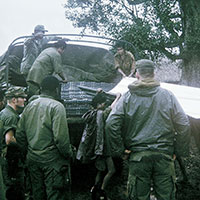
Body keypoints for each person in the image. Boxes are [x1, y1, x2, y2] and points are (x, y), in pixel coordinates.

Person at [106, 59, 190, 200]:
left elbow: (111, 123)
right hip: (164, 156)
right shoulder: (167, 95)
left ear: (137, 74)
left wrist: (120, 150)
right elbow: (184, 123)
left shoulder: (127, 97)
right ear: (154, 73)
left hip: (138, 157)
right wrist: (178, 150)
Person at [16, 76, 72, 200]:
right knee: (54, 194)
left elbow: (20, 134)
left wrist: (27, 153)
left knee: (37, 194)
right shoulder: (57, 107)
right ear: (56, 90)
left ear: (41, 89)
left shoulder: (29, 106)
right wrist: (68, 154)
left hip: (33, 159)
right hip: (52, 161)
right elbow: (60, 139)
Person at [77, 90, 121, 200]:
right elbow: (111, 108)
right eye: (102, 103)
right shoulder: (101, 114)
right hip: (103, 147)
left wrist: (98, 94)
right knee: (111, 170)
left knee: (100, 170)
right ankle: (102, 190)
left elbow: (98, 105)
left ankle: (94, 189)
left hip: (95, 147)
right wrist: (118, 97)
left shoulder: (91, 113)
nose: (104, 105)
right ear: (98, 104)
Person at [0, 87, 27, 200]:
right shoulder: (10, 116)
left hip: (7, 159)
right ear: (14, 100)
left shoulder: (4, 112)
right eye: (22, 97)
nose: (25, 100)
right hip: (11, 161)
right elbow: (9, 139)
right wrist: (26, 143)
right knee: (13, 191)